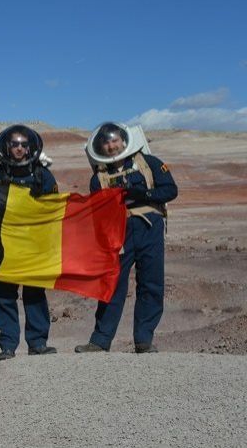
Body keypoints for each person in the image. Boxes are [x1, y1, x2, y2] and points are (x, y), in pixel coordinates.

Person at [75, 122, 178, 353]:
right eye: (106, 142)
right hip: (118, 234)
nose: (111, 146)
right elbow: (96, 212)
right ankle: (100, 341)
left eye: (114, 141)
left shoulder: (149, 163)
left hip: (149, 228)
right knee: (112, 285)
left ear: (124, 140)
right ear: (100, 146)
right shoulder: (98, 177)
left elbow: (171, 190)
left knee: (151, 284)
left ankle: (143, 340)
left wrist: (145, 194)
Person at [0, 125, 59, 360]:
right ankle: (8, 344)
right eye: (14, 144)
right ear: (6, 146)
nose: (19, 148)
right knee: (4, 294)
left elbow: (54, 206)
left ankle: (37, 342)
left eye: (23, 144)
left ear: (30, 147)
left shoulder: (42, 174)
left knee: (35, 292)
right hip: (5, 244)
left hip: (33, 244)